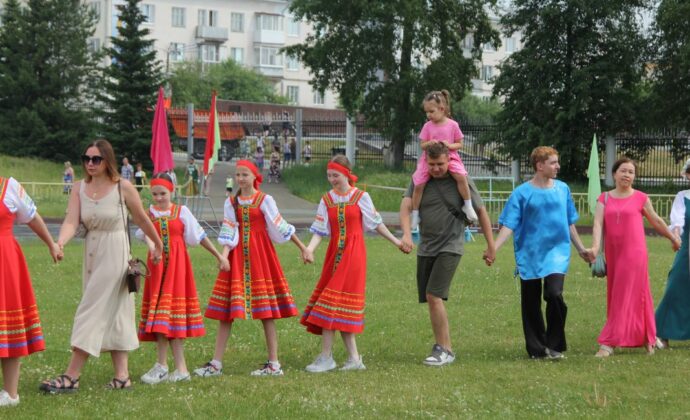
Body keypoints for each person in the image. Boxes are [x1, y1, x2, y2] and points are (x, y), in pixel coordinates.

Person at [40, 139, 163, 393]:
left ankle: (72, 375)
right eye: (86, 159)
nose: (90, 164)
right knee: (117, 311)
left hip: (116, 251)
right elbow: (72, 221)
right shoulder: (79, 188)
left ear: (107, 161)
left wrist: (158, 244)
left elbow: (141, 218)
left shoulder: (123, 187)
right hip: (92, 252)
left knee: (91, 309)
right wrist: (60, 242)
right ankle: (122, 377)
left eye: (96, 159)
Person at [194, 160, 310, 377]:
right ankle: (216, 363)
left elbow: (280, 225)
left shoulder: (265, 200)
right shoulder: (232, 202)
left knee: (266, 310)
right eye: (238, 175)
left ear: (255, 176)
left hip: (260, 255)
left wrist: (303, 248)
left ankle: (274, 364)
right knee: (226, 311)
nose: (240, 179)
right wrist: (224, 256)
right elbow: (229, 229)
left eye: (245, 174)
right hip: (237, 256)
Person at [301, 155, 405, 372]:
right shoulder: (326, 199)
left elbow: (376, 224)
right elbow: (320, 230)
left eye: (336, 175)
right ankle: (354, 359)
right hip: (334, 254)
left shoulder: (360, 197)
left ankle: (327, 357)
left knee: (329, 301)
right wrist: (309, 249)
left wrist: (397, 242)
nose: (332, 179)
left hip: (354, 253)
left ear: (347, 174)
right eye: (329, 175)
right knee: (338, 304)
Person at [399, 142, 496, 366]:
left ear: (449, 160)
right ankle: (442, 346)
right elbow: (405, 207)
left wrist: (491, 245)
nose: (435, 169)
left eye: (440, 164)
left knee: (434, 295)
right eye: (431, 164)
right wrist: (406, 234)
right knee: (430, 298)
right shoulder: (419, 179)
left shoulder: (460, 179)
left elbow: (481, 211)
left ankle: (445, 349)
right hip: (426, 246)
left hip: (451, 245)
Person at [494, 146, 591, 360]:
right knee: (530, 301)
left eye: (557, 162)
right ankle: (537, 349)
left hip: (557, 252)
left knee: (554, 294)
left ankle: (554, 345)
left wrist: (581, 249)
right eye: (553, 163)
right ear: (539, 165)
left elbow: (569, 222)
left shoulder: (563, 189)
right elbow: (509, 224)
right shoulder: (521, 193)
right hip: (529, 253)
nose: (558, 166)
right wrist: (494, 248)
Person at [136, 173, 230, 385]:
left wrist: (218, 256)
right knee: (160, 316)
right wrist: (153, 249)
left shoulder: (182, 212)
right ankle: (165, 366)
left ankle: (176, 368)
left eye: (163, 193)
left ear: (172, 191)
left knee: (170, 315)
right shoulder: (149, 214)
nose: (159, 198)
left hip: (176, 268)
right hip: (157, 268)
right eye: (155, 194)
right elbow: (146, 235)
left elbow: (200, 236)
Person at [587, 158, 680, 357]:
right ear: (614, 174)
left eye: (631, 172)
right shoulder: (604, 198)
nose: (627, 175)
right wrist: (595, 247)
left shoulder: (641, 197)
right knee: (631, 294)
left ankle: (609, 343)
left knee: (625, 294)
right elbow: (597, 224)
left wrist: (673, 238)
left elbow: (656, 220)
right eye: (623, 171)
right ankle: (647, 338)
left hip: (634, 253)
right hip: (614, 253)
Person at [0, 177, 60, 407]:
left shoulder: (9, 187)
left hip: (4, 261)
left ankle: (11, 393)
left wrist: (51, 244)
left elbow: (32, 216)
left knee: (8, 324)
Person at [410, 90, 477, 230]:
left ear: (442, 109)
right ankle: (415, 213)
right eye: (426, 112)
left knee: (461, 176)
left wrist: (450, 145)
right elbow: (422, 145)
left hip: (450, 157)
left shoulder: (453, 125)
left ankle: (468, 205)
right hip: (429, 158)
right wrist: (429, 143)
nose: (428, 115)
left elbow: (460, 144)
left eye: (431, 111)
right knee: (418, 183)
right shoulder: (427, 126)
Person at [655, 158, 690, 348]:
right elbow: (678, 221)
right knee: (675, 286)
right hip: (687, 249)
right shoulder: (683, 196)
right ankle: (662, 332)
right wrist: (675, 236)